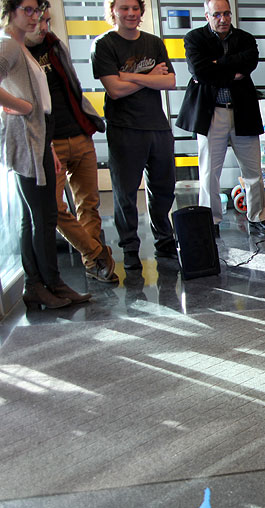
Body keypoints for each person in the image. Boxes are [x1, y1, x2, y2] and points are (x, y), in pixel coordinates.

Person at [1, 0, 91, 309]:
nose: (34, 17)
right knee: (44, 215)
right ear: (9, 10)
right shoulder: (9, 45)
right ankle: (51, 284)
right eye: (27, 10)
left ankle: (37, 285)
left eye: (36, 11)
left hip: (37, 136)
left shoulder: (17, 45)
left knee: (35, 216)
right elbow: (26, 100)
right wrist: (22, 107)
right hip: (27, 136)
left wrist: (47, 143)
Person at [25, 6, 117, 284]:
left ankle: (94, 264)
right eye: (39, 20)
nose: (43, 26)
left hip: (79, 134)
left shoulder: (55, 45)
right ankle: (97, 252)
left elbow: (71, 88)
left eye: (47, 20)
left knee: (88, 204)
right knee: (54, 208)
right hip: (49, 143)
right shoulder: (17, 52)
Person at [91, 0, 178, 272]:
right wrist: (149, 76)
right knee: (125, 194)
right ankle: (129, 248)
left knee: (163, 190)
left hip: (157, 126)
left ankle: (164, 240)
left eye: (135, 8)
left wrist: (130, 76)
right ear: (113, 11)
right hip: (124, 128)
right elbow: (114, 90)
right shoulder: (104, 45)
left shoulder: (154, 42)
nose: (130, 13)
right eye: (124, 8)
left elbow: (170, 82)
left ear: (141, 11)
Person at [176, 0, 265, 234]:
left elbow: (249, 63)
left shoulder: (245, 39)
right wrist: (230, 72)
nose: (223, 19)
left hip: (242, 110)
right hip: (211, 111)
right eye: (217, 15)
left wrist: (216, 65)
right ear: (207, 16)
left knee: (253, 170)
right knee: (209, 172)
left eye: (227, 13)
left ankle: (257, 217)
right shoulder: (194, 39)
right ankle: (211, 220)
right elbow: (198, 70)